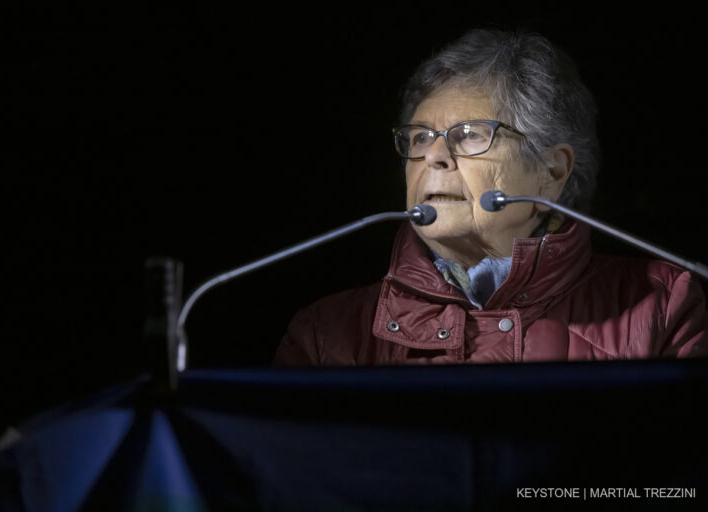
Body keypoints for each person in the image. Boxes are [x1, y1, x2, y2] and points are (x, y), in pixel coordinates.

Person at [273, 29, 708, 366]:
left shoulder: (663, 306)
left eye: (469, 135)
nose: (435, 157)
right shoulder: (322, 334)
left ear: (551, 172)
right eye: (421, 137)